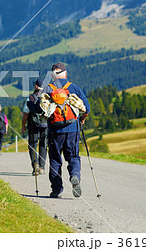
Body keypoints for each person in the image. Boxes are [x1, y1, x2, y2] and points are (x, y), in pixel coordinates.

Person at [42, 63, 90, 198]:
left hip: (54, 131)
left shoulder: (48, 89)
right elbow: (87, 108)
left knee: (55, 160)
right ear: (65, 74)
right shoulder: (73, 88)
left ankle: (57, 190)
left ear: (52, 75)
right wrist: (82, 119)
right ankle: (75, 176)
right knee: (73, 157)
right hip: (72, 129)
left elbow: (39, 109)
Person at [22, 79, 48, 176]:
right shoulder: (46, 97)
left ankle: (35, 165)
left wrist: (23, 125)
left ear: (36, 86)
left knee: (32, 145)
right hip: (45, 125)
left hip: (33, 125)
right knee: (43, 145)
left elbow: (25, 114)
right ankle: (42, 167)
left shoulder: (30, 98)